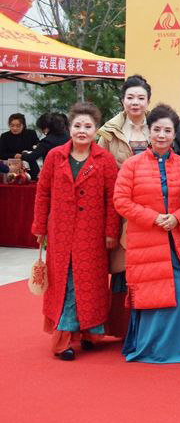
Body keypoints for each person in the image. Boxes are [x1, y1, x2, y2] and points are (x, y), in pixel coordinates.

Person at [113, 104, 180, 363]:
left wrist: (177, 217)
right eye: (157, 130)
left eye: (167, 130)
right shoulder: (131, 165)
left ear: (174, 134)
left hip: (176, 240)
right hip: (145, 240)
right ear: (148, 132)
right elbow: (121, 201)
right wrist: (152, 218)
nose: (162, 135)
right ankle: (151, 348)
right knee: (152, 291)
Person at [31, 103, 119, 360]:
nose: (82, 130)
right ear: (70, 128)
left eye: (88, 126)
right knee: (65, 282)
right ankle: (63, 339)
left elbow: (112, 199)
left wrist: (111, 231)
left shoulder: (104, 159)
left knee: (90, 284)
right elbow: (43, 193)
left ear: (96, 129)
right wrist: (39, 227)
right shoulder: (54, 156)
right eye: (77, 125)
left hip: (92, 234)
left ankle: (90, 332)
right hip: (60, 232)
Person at [95, 75, 152, 338]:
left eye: (141, 97)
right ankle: (123, 326)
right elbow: (100, 170)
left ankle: (147, 327)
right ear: (123, 100)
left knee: (149, 267)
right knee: (123, 266)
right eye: (130, 97)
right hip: (121, 209)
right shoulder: (108, 132)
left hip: (150, 208)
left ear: (148, 101)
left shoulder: (158, 127)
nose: (135, 102)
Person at [19, 112, 69, 179]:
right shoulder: (69, 136)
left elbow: (31, 157)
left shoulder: (48, 141)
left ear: (46, 128)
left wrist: (23, 155)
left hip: (54, 176)